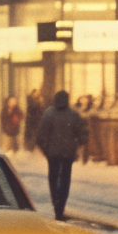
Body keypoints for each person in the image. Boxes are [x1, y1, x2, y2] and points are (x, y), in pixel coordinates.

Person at [36, 90, 88, 220]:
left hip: (52, 153)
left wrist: (45, 150)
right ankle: (61, 207)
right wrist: (77, 145)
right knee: (65, 179)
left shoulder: (48, 114)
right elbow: (82, 134)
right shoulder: (73, 115)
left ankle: (55, 202)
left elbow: (41, 134)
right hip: (68, 153)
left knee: (53, 178)